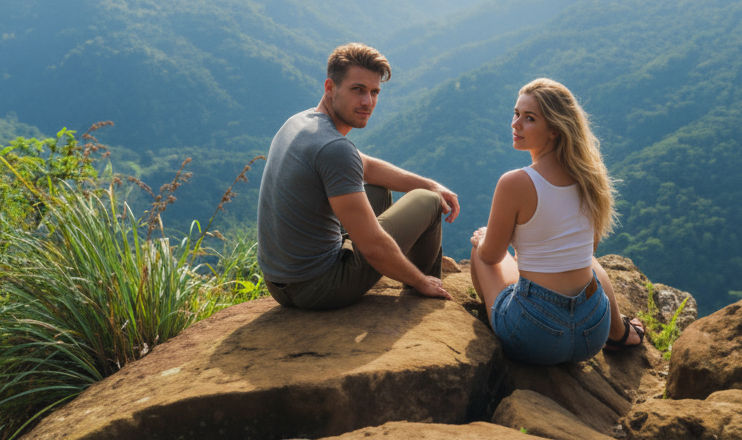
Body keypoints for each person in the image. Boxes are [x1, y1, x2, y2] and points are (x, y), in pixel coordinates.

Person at [258, 42, 460, 310]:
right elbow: (373, 246)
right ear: (330, 87)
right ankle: (423, 287)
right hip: (318, 287)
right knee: (429, 201)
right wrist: (420, 280)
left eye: (374, 92)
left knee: (380, 190)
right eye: (358, 90)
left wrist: (431, 184)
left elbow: (366, 167)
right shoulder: (334, 148)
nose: (368, 102)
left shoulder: (300, 122)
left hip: (279, 283)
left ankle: (403, 269)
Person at [469, 78, 644, 364]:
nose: (515, 124)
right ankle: (619, 333)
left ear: (554, 130)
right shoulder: (589, 177)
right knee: (587, 260)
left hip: (535, 337)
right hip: (592, 333)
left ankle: (500, 322)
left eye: (529, 118)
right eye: (516, 114)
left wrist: (483, 239)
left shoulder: (515, 182)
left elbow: (491, 256)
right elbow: (588, 251)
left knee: (480, 248)